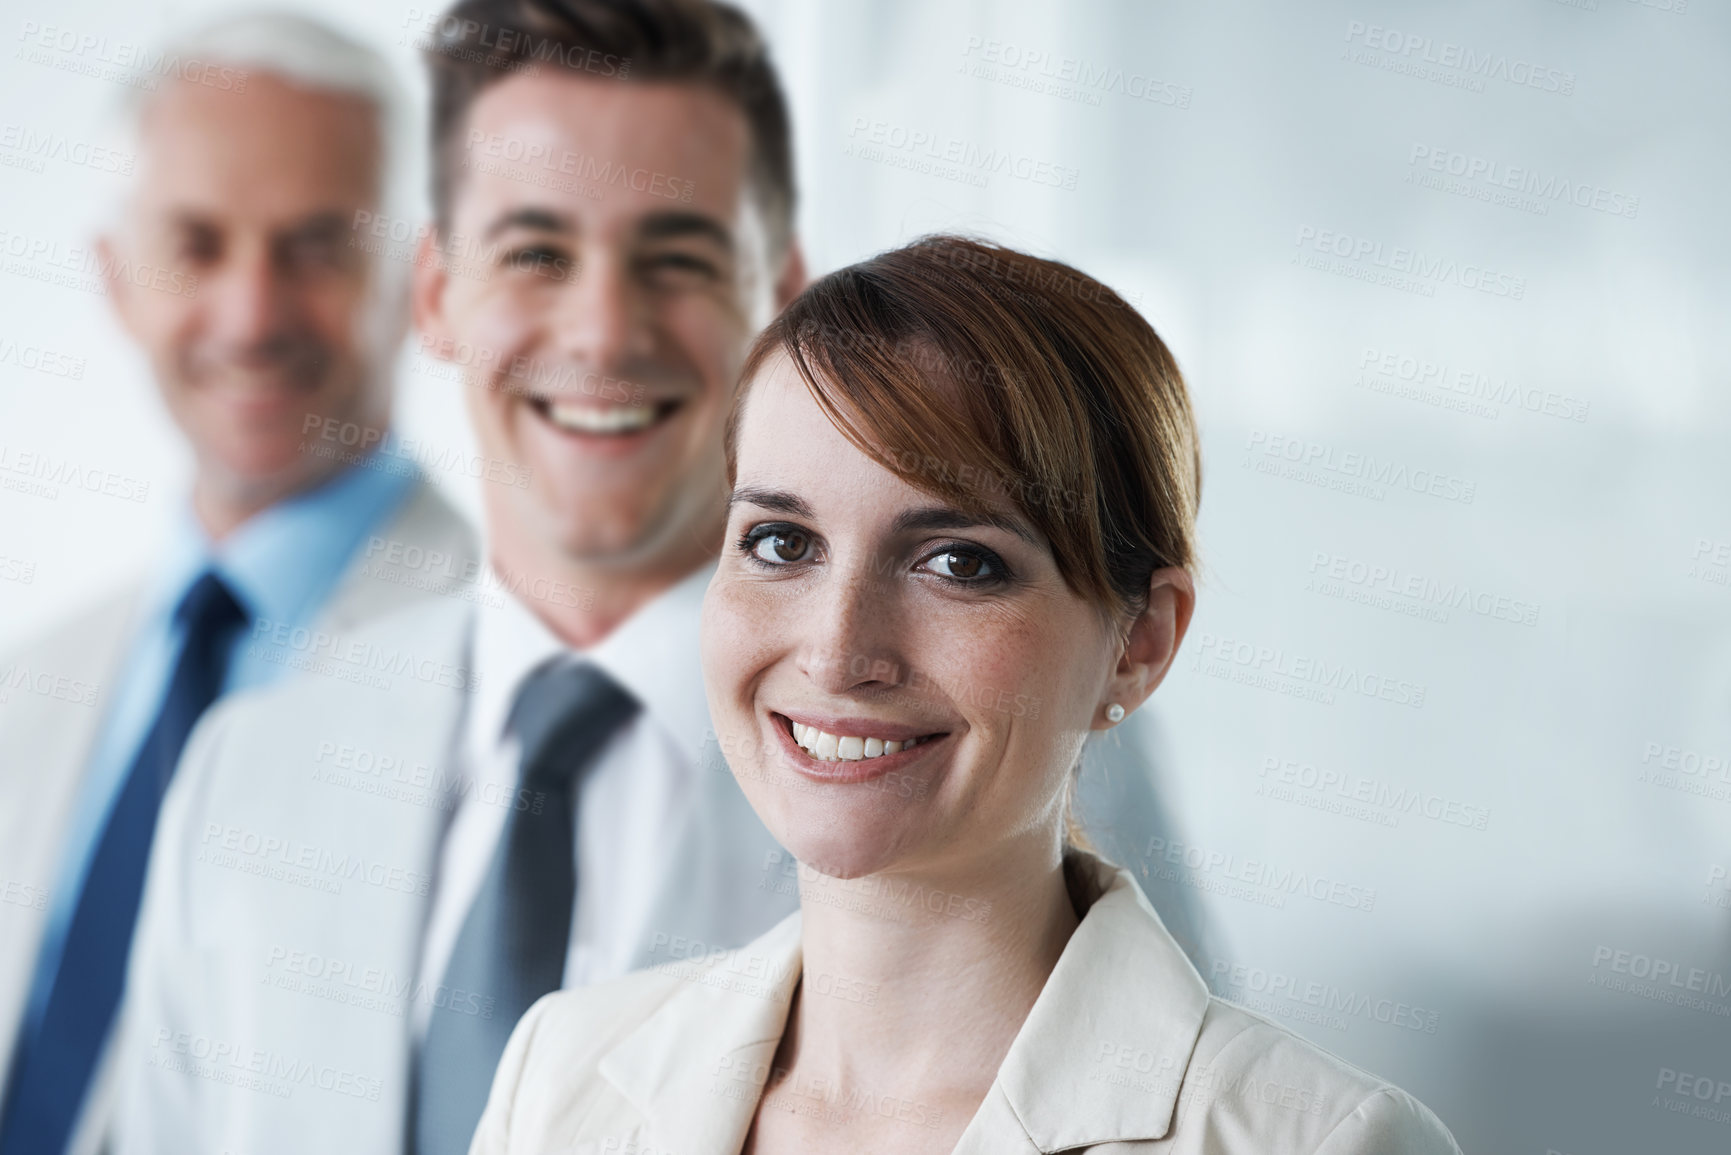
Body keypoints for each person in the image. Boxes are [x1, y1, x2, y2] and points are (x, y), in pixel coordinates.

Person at [467, 235, 1464, 1154]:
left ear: (1139, 643)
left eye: (959, 563)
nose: (838, 650)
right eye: (781, 543)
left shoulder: (1325, 1142)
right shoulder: (561, 1080)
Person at [115, 2, 805, 1153]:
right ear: (433, 292)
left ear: (781, 302)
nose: (600, 330)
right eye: (536, 252)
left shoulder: (982, 761)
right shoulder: (247, 775)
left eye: (677, 257)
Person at [0, 14, 475, 1154]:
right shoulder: (32, 682)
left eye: (316, 245)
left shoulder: (509, 666)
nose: (252, 314)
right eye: (198, 245)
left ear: (424, 280)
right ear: (117, 279)